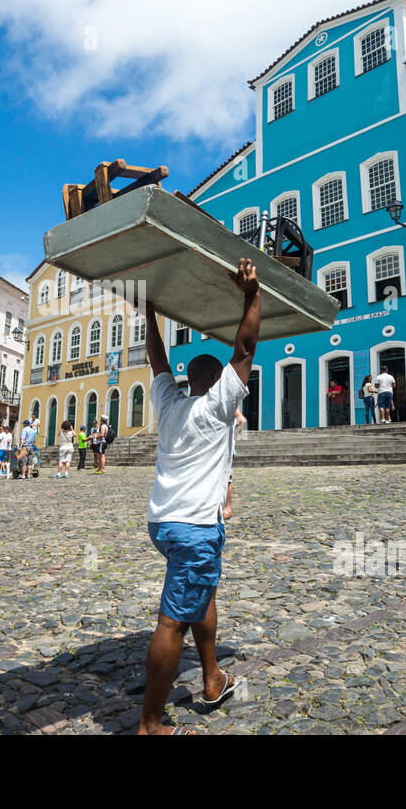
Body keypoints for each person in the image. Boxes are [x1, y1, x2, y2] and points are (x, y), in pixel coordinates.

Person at [137, 258, 259, 735]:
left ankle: (211, 678)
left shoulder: (170, 402)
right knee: (172, 624)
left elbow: (158, 360)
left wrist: (149, 314)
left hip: (162, 522)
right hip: (193, 527)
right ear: (219, 384)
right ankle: (150, 724)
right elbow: (245, 346)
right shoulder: (216, 408)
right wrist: (251, 295)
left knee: (201, 593)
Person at [223, 408, 245, 521]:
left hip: (226, 447)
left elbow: (241, 420)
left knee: (227, 478)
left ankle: (227, 507)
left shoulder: (228, 402)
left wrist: (233, 435)